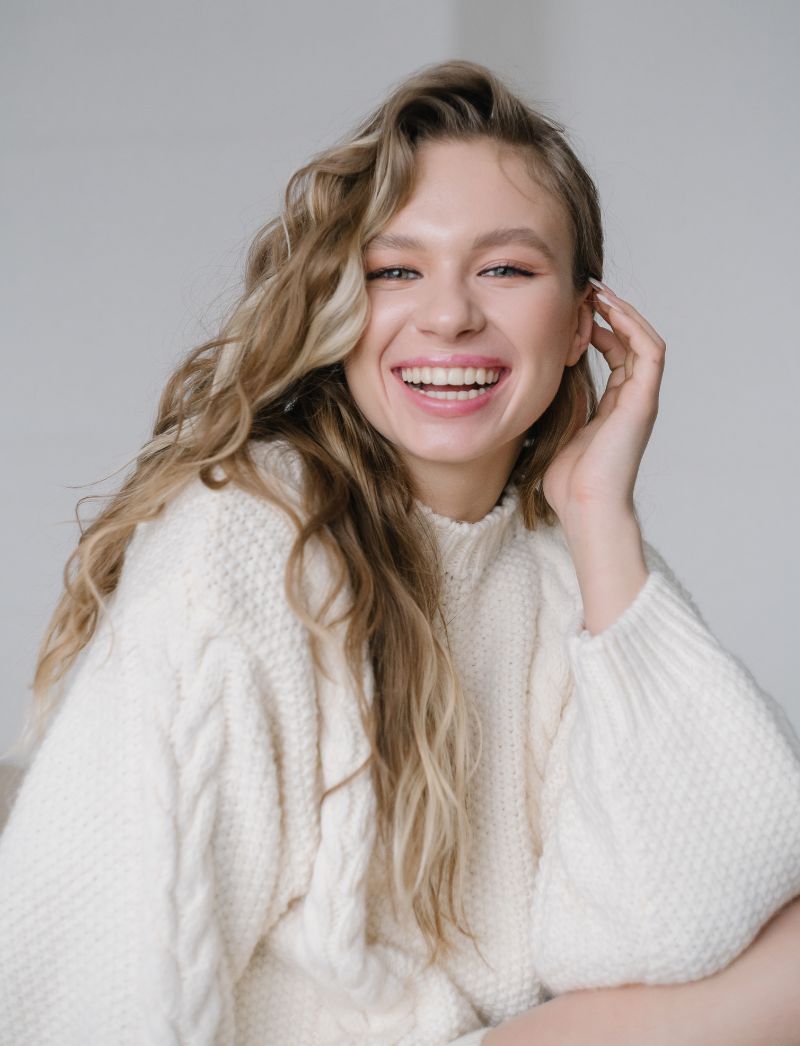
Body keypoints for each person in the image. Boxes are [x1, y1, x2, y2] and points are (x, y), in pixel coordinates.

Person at [1, 59, 799, 1046]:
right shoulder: (244, 540)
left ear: (582, 322)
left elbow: (675, 925)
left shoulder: (563, 553)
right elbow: (94, 961)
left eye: (504, 267)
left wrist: (601, 517)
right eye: (395, 270)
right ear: (343, 309)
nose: (450, 313)